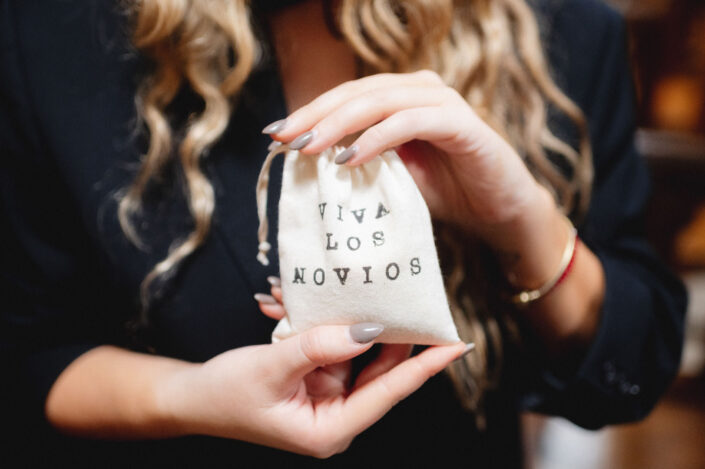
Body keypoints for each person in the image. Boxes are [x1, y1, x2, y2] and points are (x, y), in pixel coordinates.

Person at [0, 0, 686, 467]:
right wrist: (192, 397)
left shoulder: (561, 30)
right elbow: (29, 355)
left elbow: (634, 368)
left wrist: (520, 220)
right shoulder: (57, 34)